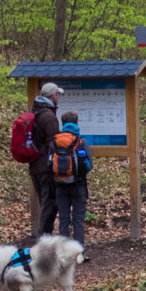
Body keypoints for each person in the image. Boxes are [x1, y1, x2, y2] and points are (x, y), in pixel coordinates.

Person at [53, 111, 93, 253]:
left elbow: (49, 163)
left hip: (59, 185)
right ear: (76, 123)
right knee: (77, 220)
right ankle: (77, 252)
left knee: (63, 218)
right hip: (78, 185)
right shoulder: (82, 142)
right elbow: (89, 165)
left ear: (63, 123)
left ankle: (63, 251)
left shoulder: (55, 141)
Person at [27, 82, 62, 237]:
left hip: (34, 165)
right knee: (50, 204)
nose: (58, 98)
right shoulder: (49, 117)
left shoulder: (34, 111)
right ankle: (44, 241)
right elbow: (53, 144)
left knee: (45, 202)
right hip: (46, 168)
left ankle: (45, 237)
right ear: (53, 96)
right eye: (57, 95)